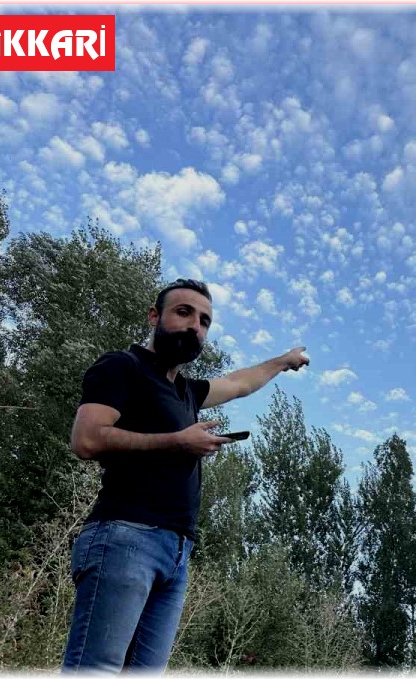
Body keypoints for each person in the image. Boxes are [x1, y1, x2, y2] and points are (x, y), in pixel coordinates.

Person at [61, 278, 310, 672]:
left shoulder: (187, 391)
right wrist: (178, 441)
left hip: (176, 551)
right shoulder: (122, 366)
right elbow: (87, 439)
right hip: (125, 536)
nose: (195, 326)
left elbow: (239, 383)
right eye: (184, 312)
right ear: (154, 316)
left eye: (204, 321)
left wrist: (283, 361)